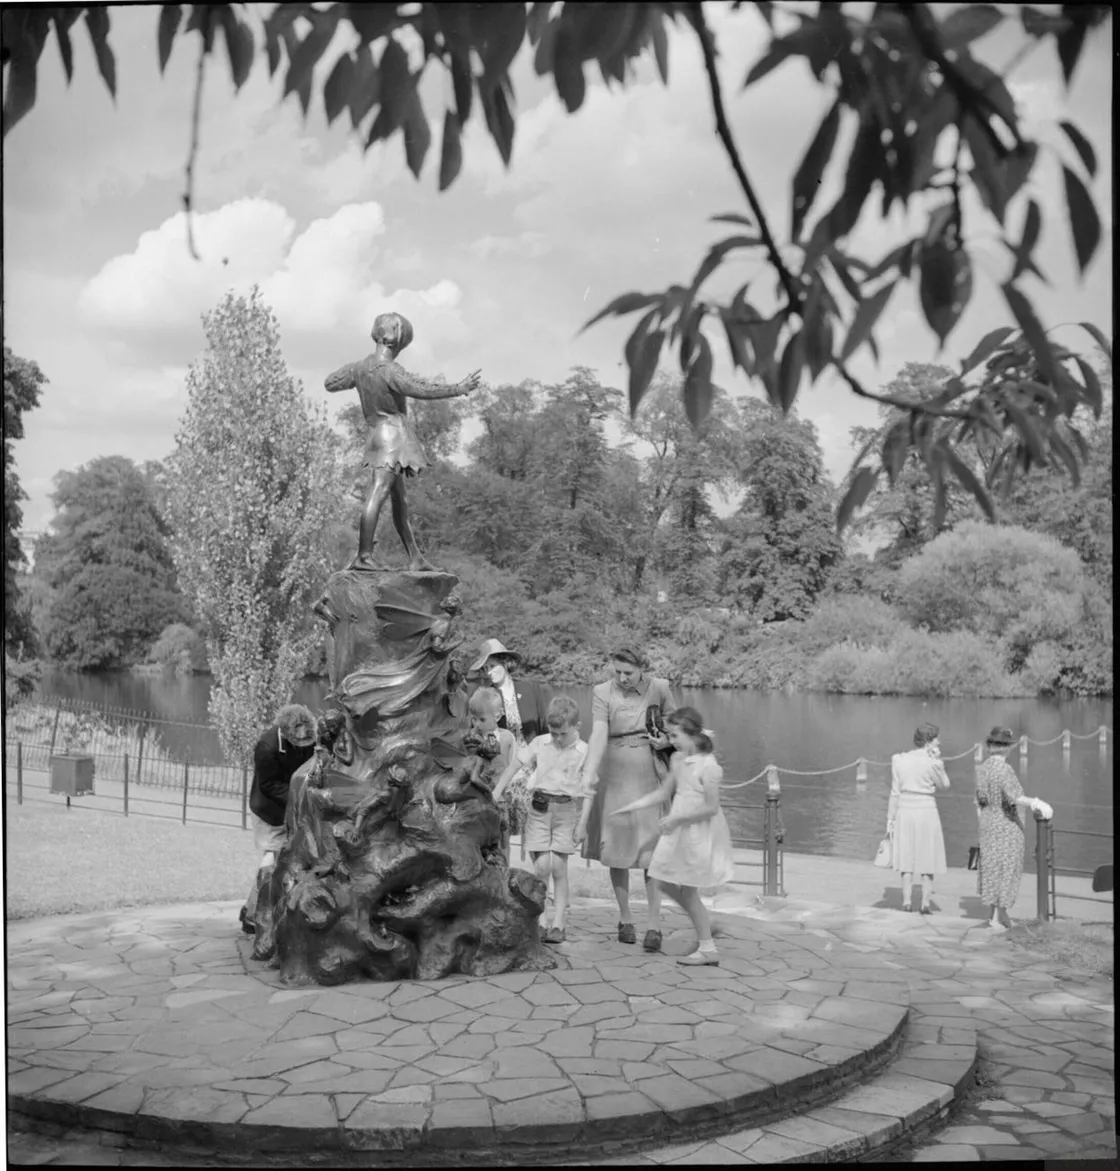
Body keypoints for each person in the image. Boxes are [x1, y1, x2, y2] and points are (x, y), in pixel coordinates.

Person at [325, 312, 480, 572]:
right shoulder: (390, 370)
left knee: (400, 500)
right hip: (392, 436)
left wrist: (355, 371)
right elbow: (422, 389)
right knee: (379, 492)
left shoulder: (360, 368)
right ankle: (363, 556)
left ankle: (414, 557)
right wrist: (458, 388)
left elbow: (331, 382)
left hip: (378, 435)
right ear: (397, 342)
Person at [610, 707, 734, 965]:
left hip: (695, 832)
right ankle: (704, 931)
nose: (671, 740)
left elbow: (710, 808)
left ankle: (707, 945)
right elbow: (663, 793)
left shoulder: (709, 766)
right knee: (661, 879)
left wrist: (677, 819)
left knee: (686, 890)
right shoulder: (678, 760)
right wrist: (630, 806)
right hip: (677, 829)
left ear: (691, 734)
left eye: (675, 735)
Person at [575, 646, 676, 950]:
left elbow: (676, 725)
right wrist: (589, 772)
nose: (621, 678)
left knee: (651, 851)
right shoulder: (602, 691)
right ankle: (625, 917)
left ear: (642, 668)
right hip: (615, 771)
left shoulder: (660, 688)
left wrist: (666, 739)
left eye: (628, 673)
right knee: (616, 847)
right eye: (617, 671)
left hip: (648, 767)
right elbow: (599, 732)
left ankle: (655, 923)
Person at [500, 695, 588, 944]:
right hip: (539, 808)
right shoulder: (540, 743)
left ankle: (558, 923)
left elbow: (590, 790)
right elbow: (514, 766)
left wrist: (583, 823)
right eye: (554, 733)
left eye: (563, 733)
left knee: (559, 867)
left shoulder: (583, 751)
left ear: (576, 728)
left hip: (566, 810)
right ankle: (539, 919)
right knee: (541, 868)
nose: (558, 738)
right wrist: (497, 791)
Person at [241, 704, 317, 933]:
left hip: (293, 809)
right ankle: (252, 915)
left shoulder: (309, 736)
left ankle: (254, 910)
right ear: (285, 732)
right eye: (299, 742)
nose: (304, 746)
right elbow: (269, 785)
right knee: (272, 861)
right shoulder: (267, 747)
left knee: (292, 861)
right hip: (269, 812)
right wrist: (300, 797)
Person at [975, 726, 1053, 931]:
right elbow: (1014, 797)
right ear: (1008, 747)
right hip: (1006, 824)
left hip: (988, 823)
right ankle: (1000, 914)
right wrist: (1037, 802)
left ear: (989, 746)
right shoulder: (1005, 769)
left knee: (992, 868)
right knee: (1007, 868)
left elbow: (979, 801)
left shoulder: (981, 768)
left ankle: (994, 916)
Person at [886, 722, 950, 914]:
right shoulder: (933, 763)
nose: (939, 742)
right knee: (927, 856)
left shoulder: (898, 760)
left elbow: (895, 792)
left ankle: (906, 902)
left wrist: (890, 819)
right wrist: (939, 764)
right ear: (929, 742)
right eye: (936, 739)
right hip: (926, 809)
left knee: (907, 856)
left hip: (905, 809)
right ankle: (925, 904)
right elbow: (944, 785)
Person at [465, 686, 520, 858]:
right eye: (473, 719)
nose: (477, 724)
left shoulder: (507, 738)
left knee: (502, 843)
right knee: (477, 843)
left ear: (497, 715)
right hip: (475, 801)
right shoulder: (471, 740)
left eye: (482, 719)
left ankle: (503, 878)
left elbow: (513, 767)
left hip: (500, 801)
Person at [468, 637, 550, 744]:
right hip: (502, 757)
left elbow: (544, 727)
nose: (488, 672)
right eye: (485, 668)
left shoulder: (530, 689)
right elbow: (476, 729)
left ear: (505, 663)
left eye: (492, 666)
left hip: (532, 756)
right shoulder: (486, 696)